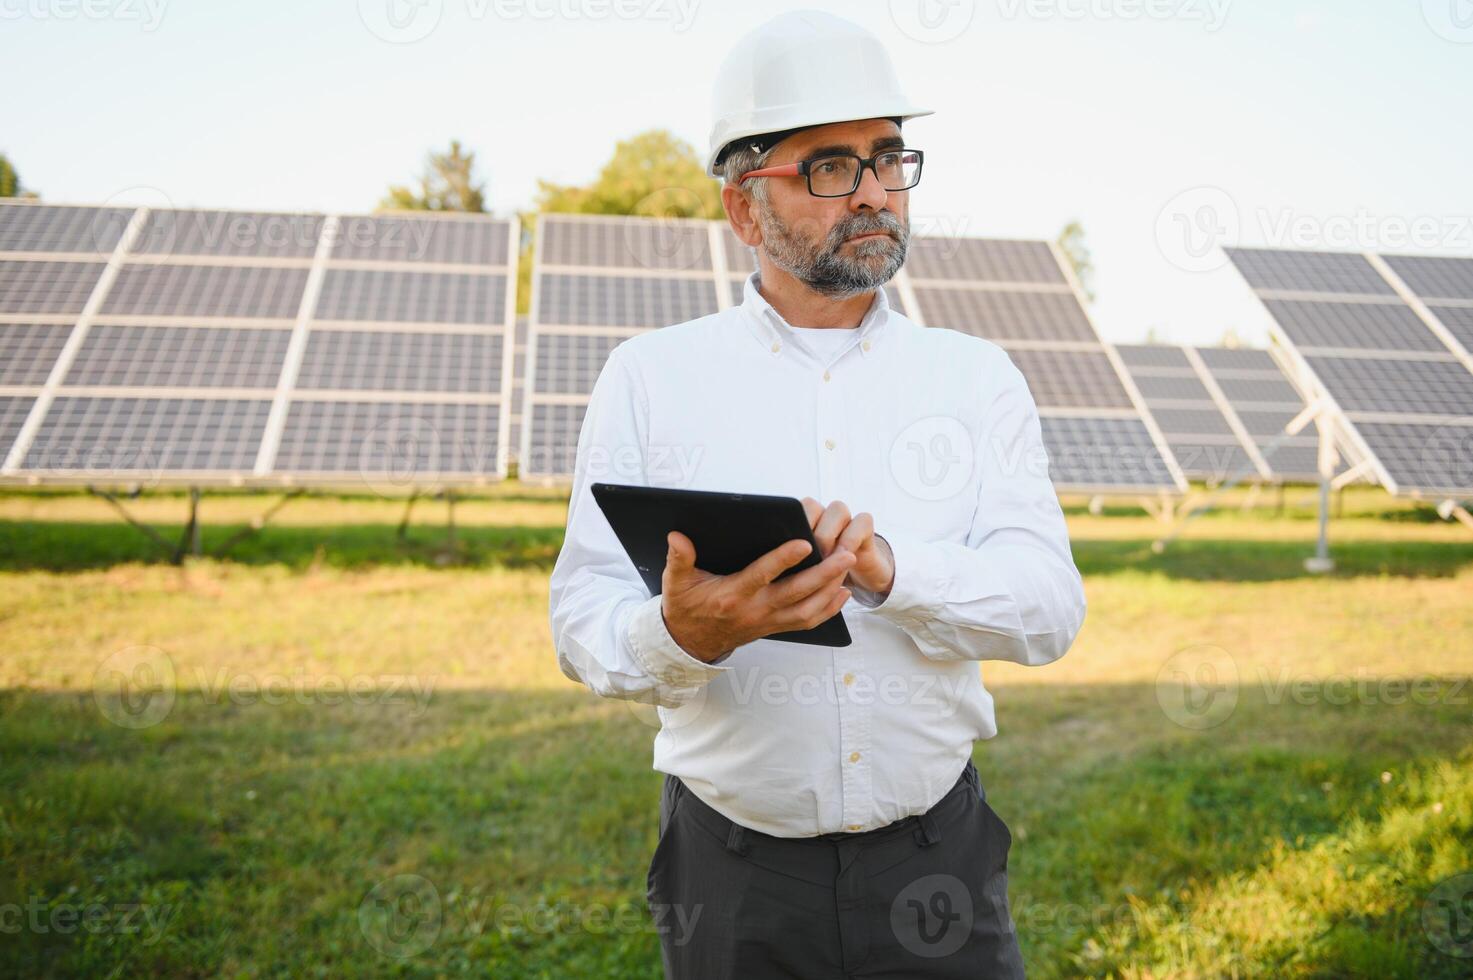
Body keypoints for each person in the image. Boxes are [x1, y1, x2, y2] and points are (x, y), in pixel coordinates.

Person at [548, 10, 1086, 977]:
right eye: (830, 168)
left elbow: (1047, 614)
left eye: (887, 160)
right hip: (732, 874)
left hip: (938, 860)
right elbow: (580, 619)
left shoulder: (976, 378)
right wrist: (681, 637)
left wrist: (893, 573)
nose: (875, 192)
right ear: (744, 209)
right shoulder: (650, 376)